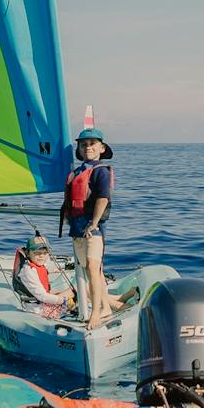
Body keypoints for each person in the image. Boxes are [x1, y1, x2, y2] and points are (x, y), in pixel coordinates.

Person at [65, 127, 122, 329]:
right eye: (83, 144)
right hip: (77, 229)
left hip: (93, 230)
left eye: (92, 144)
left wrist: (94, 223)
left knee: (92, 266)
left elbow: (103, 198)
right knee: (93, 272)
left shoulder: (101, 171)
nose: (88, 147)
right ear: (79, 148)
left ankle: (96, 313)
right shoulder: (77, 172)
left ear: (101, 147)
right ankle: (106, 307)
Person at [11, 234, 72, 320]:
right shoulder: (28, 271)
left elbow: (47, 269)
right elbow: (42, 297)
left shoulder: (40, 265)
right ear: (28, 253)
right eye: (37, 253)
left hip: (42, 304)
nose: (41, 256)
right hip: (38, 309)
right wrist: (64, 300)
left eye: (45, 253)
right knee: (77, 292)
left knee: (76, 290)